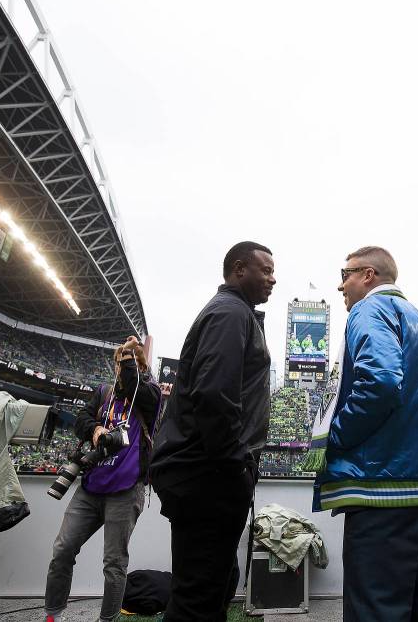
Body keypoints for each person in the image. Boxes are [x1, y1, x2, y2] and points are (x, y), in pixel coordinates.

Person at [310, 246, 418, 621]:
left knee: (376, 611)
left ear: (368, 275)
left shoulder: (369, 309)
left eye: (344, 274)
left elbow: (380, 380)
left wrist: (337, 437)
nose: (339, 285)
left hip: (382, 489)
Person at [150, 241, 275, 622]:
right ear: (239, 269)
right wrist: (234, 465)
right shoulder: (230, 314)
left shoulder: (236, 313)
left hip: (206, 473)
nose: (273, 278)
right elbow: (214, 394)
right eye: (265, 270)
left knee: (215, 586)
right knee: (197, 599)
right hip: (209, 475)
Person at [44, 336, 160, 622]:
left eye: (133, 366)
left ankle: (107, 620)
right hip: (91, 488)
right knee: (62, 549)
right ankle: (52, 615)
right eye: (121, 365)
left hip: (125, 489)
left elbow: (134, 386)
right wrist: (95, 429)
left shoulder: (150, 396)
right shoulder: (104, 393)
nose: (125, 371)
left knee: (114, 563)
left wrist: (130, 357)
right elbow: (81, 419)